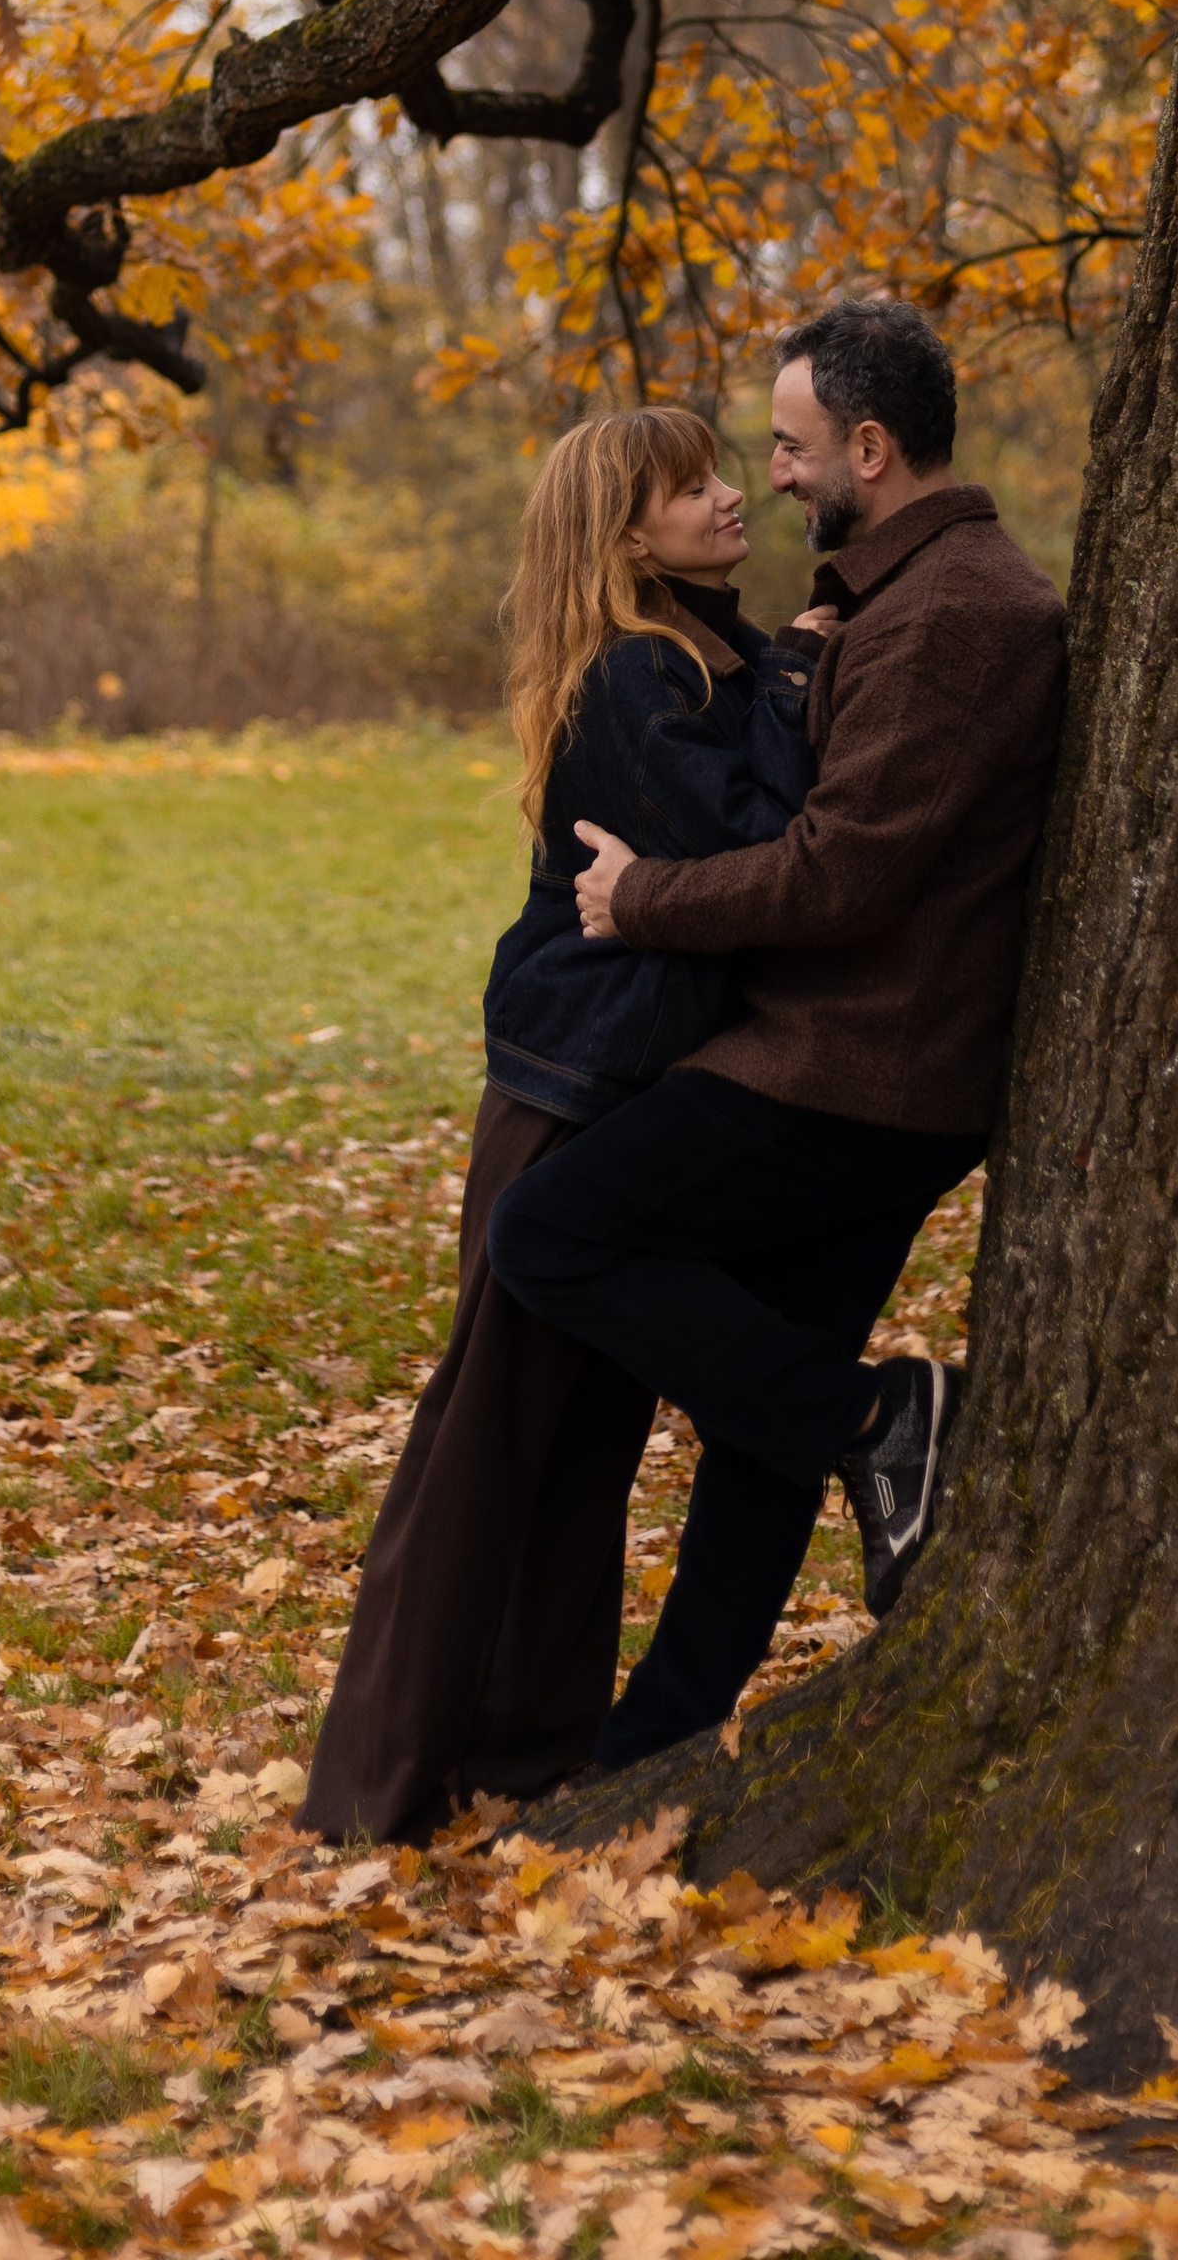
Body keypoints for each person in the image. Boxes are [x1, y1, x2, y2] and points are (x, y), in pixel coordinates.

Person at [487, 300, 1066, 1773]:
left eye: (796, 449)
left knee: (554, 1233)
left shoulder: (961, 614)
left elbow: (838, 870)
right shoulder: (897, 598)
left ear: (871, 447)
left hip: (855, 1069)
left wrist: (641, 898)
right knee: (760, 1425)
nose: (779, 478)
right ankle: (660, 1751)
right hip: (857, 1059)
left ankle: (883, 1415)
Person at [299, 404, 822, 1841]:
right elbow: (760, 845)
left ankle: (522, 1755)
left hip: (614, 1092)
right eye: (693, 488)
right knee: (494, 1444)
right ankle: (383, 1782)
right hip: (566, 1101)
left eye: (726, 475)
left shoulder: (705, 653)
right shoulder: (643, 678)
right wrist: (802, 676)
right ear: (624, 534)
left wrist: (783, 664)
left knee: (583, 1446)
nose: (732, 499)